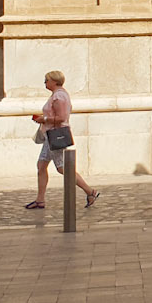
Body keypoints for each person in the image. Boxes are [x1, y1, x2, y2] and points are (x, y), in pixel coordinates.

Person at [25, 69, 99, 212]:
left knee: (62, 168)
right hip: (49, 135)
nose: (45, 83)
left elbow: (61, 118)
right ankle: (40, 200)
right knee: (41, 165)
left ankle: (90, 191)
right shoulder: (57, 95)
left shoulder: (59, 96)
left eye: (47, 80)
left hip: (56, 135)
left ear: (54, 81)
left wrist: (43, 119)